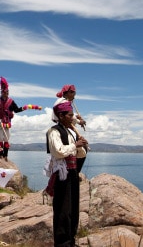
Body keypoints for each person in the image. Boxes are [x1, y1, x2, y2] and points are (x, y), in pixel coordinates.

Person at [45, 101, 89, 247]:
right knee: (62, 211)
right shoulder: (54, 131)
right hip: (62, 176)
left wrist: (82, 146)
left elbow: (79, 155)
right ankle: (62, 243)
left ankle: (71, 240)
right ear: (61, 116)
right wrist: (75, 145)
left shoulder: (70, 131)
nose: (72, 118)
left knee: (73, 209)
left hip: (72, 174)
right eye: (70, 115)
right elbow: (58, 151)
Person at [0, 76, 41, 160]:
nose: (6, 93)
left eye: (7, 92)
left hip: (7, 123)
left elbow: (16, 110)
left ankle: (5, 155)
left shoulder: (11, 101)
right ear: (2, 92)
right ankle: (0, 155)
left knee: (6, 138)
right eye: (5, 92)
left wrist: (26, 107)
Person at [52, 84, 88, 173]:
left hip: (65, 127)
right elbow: (66, 116)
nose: (74, 97)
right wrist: (80, 122)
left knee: (80, 149)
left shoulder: (62, 101)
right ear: (68, 92)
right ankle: (75, 172)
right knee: (82, 148)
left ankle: (73, 171)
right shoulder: (63, 102)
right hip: (64, 128)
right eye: (73, 93)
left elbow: (68, 115)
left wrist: (76, 117)